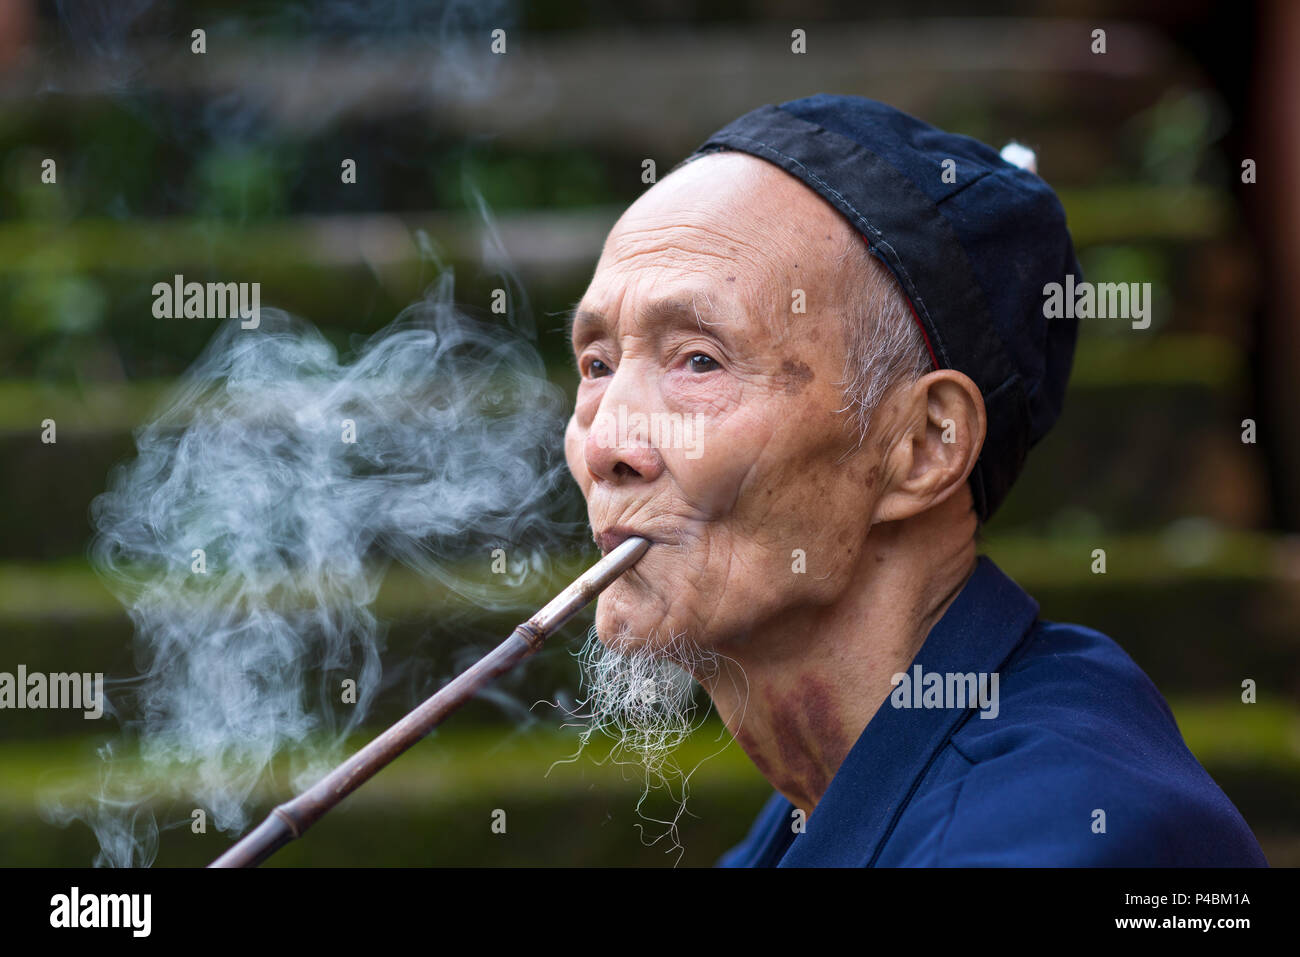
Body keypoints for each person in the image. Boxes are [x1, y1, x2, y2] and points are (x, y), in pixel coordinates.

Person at [561, 94, 1267, 866]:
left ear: (926, 443)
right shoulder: (826, 801)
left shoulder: (1069, 831)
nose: (606, 444)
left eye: (700, 360)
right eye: (596, 365)